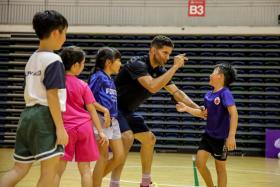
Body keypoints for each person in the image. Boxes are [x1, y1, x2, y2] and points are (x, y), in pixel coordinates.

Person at [111, 35, 204, 187]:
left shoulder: (160, 70)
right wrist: (174, 67)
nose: (168, 57)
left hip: (127, 111)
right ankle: (114, 184)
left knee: (150, 139)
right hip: (113, 109)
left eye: (169, 53)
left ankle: (145, 182)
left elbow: (177, 93)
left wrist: (197, 108)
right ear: (153, 50)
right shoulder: (137, 64)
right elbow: (152, 86)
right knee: (127, 138)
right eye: (165, 53)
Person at [0, 10, 68, 187]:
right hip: (45, 116)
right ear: (55, 32)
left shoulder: (32, 59)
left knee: (19, 169)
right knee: (49, 172)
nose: (65, 38)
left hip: (27, 116)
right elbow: (52, 95)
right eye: (64, 33)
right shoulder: (54, 60)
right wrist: (60, 128)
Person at [176, 63, 238, 187]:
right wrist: (186, 108)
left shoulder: (225, 93)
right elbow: (203, 114)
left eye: (213, 72)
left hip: (221, 138)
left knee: (220, 168)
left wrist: (231, 136)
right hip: (208, 136)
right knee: (199, 163)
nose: (210, 75)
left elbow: (234, 114)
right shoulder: (208, 95)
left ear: (220, 76)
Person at [54, 46, 108, 187]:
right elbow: (91, 110)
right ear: (75, 65)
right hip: (85, 128)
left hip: (66, 129)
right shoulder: (83, 85)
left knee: (57, 171)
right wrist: (101, 131)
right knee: (85, 170)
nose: (84, 66)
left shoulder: (56, 84)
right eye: (83, 63)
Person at [88, 47, 124, 187]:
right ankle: (95, 183)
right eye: (119, 61)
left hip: (113, 121)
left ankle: (93, 181)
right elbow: (88, 99)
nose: (120, 64)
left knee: (119, 156)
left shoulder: (109, 79)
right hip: (101, 120)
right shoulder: (98, 77)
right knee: (103, 157)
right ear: (109, 62)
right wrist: (105, 111)